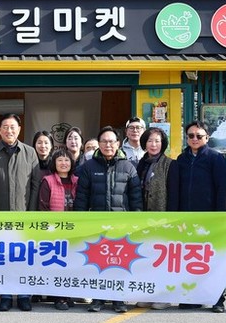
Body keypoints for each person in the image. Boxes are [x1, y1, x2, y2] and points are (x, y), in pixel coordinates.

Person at [73, 126, 142, 313]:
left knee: (119, 263)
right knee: (98, 263)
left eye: (111, 141)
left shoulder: (128, 167)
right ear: (99, 144)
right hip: (96, 224)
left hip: (121, 225)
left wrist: (136, 222)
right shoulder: (89, 167)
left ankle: (119, 300)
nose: (108, 145)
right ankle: (98, 299)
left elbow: (136, 198)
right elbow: (81, 197)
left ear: (118, 144)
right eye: (104, 141)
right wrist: (80, 222)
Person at [0, 113, 40, 312]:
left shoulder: (30, 153)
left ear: (19, 129)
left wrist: (31, 213)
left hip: (24, 215)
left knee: (24, 257)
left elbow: (35, 185)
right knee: (3, 257)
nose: (9, 130)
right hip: (0, 216)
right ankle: (5, 295)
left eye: (13, 127)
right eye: (5, 127)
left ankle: (23, 295)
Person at [177, 121, 226, 313]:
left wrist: (219, 217)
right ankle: (193, 297)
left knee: (212, 259)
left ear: (207, 137)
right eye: (191, 136)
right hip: (187, 219)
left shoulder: (215, 158)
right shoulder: (181, 159)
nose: (194, 139)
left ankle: (218, 299)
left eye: (199, 136)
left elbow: (222, 189)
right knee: (191, 260)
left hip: (209, 218)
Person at [134, 127, 178, 311]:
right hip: (143, 218)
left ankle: (163, 296)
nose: (153, 144)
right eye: (150, 141)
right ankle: (147, 293)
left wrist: (171, 218)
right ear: (144, 143)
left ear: (163, 144)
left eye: (157, 141)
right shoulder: (140, 164)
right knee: (145, 257)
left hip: (162, 218)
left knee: (162, 258)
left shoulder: (170, 164)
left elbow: (174, 194)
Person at [38, 148, 78, 311]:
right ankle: (59, 297)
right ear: (54, 163)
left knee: (71, 264)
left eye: (67, 160)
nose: (63, 163)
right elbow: (43, 207)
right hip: (55, 231)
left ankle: (67, 295)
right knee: (57, 264)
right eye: (60, 160)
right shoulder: (47, 181)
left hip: (74, 230)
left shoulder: (77, 181)